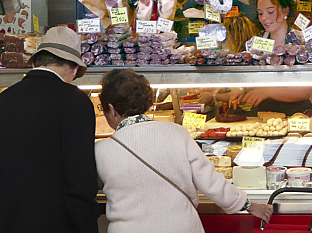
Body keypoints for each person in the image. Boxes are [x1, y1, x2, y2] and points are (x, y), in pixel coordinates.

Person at [95, 69, 272, 233]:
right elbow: (211, 182)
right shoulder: (177, 133)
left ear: (111, 109)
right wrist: (247, 205)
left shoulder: (100, 151)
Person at [0, 26, 96, 233]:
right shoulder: (75, 101)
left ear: (37, 61)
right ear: (74, 68)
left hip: (6, 223)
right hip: (57, 225)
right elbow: (80, 179)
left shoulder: (3, 99)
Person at [222, 0, 312, 112]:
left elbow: (305, 92)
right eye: (260, 13)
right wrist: (240, 87)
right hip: (262, 116)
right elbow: (248, 76)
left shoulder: (302, 43)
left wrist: (268, 91)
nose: (264, 18)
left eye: (270, 12)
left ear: (286, 11)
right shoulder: (254, 44)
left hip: (297, 115)